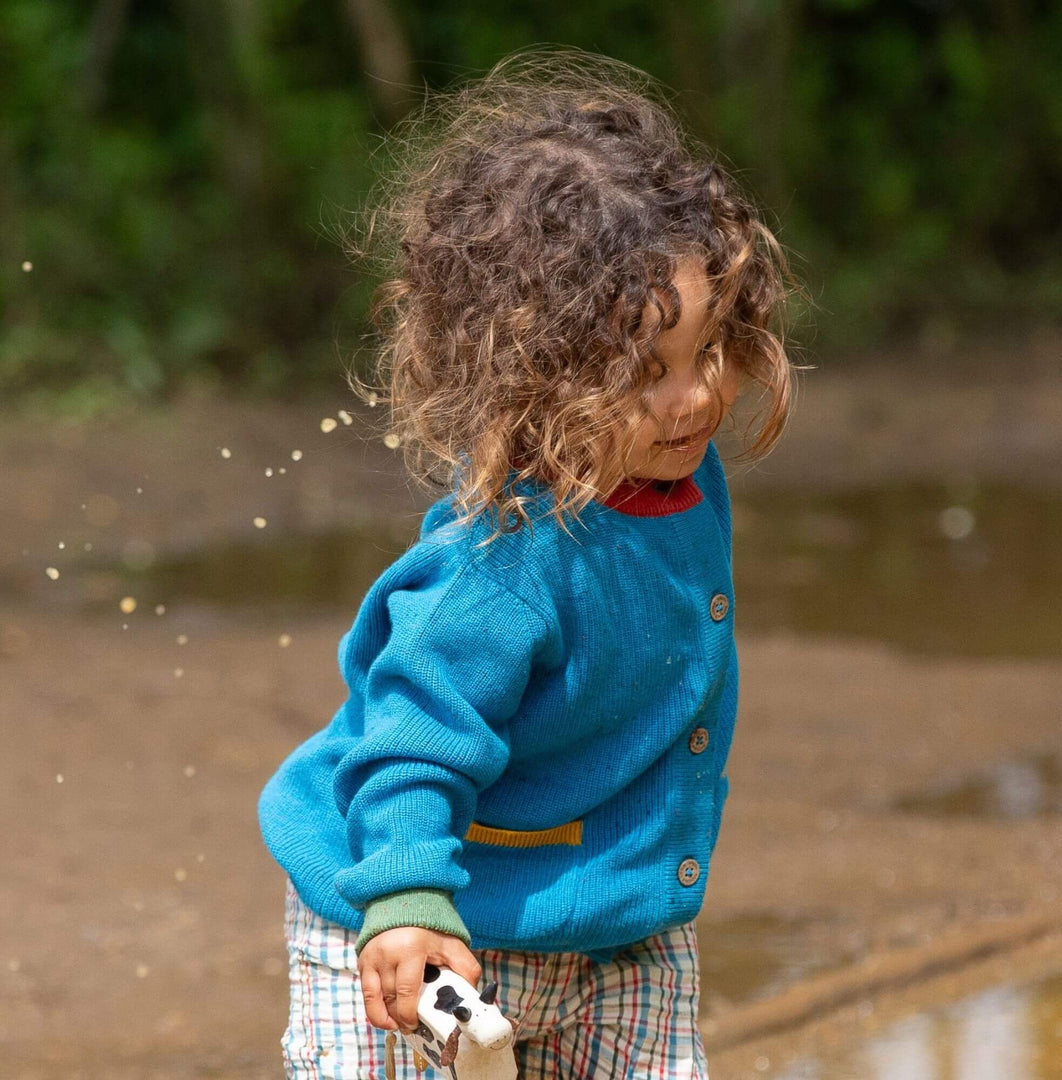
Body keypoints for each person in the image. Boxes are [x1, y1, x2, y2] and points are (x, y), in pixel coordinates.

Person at [258, 45, 806, 1079]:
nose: (695, 400)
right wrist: (405, 900)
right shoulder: (501, 564)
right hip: (411, 919)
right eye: (647, 374)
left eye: (713, 350)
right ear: (535, 370)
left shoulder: (682, 481)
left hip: (615, 917)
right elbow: (409, 742)